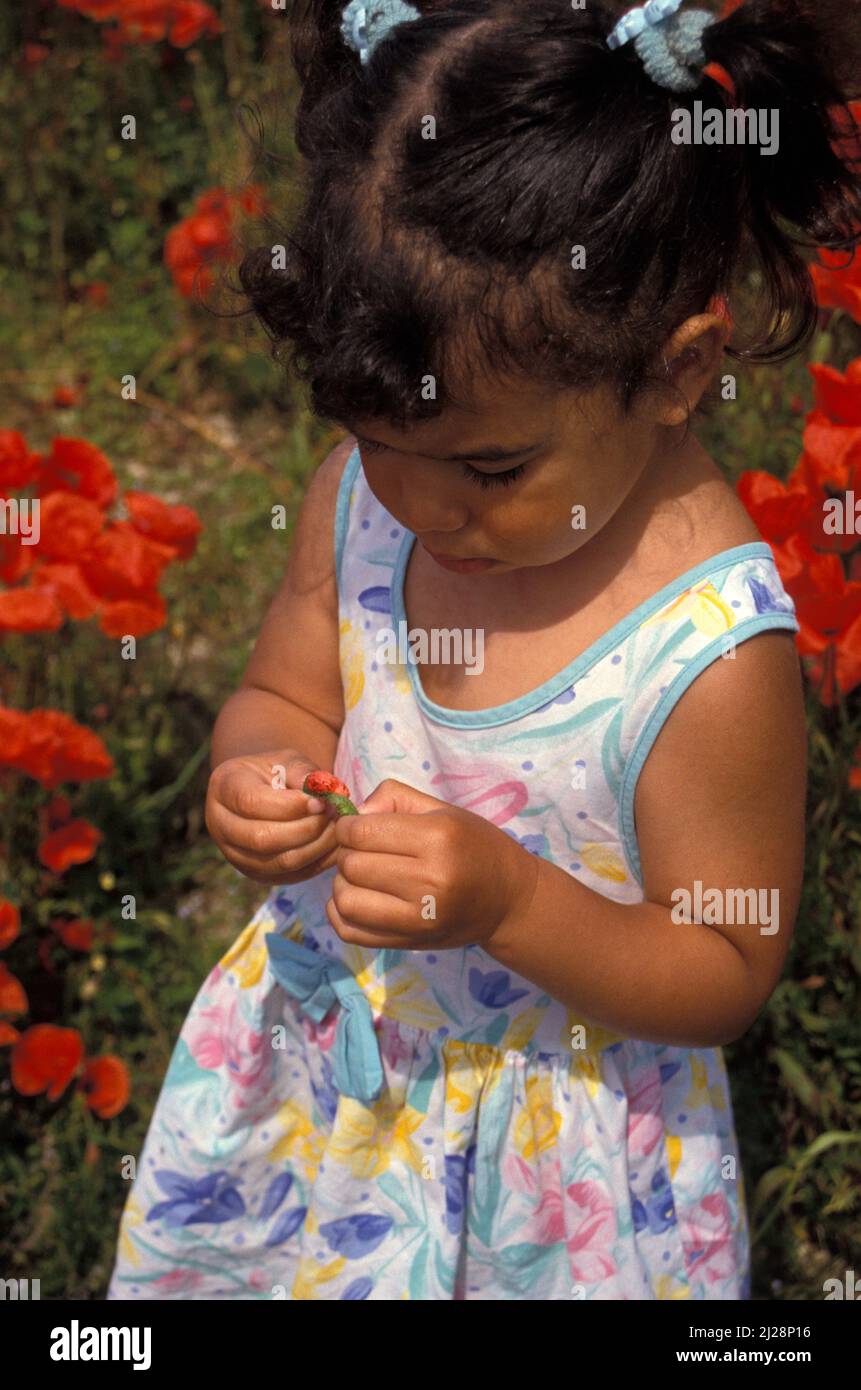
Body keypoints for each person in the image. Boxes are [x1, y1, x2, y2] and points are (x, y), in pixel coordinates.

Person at [107, 0, 860, 1299]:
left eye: (489, 466)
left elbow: (723, 961)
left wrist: (512, 903)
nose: (414, 506)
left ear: (678, 369)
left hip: (549, 1169)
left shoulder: (703, 649)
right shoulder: (376, 489)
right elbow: (288, 687)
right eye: (369, 439)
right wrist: (260, 770)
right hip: (329, 1103)